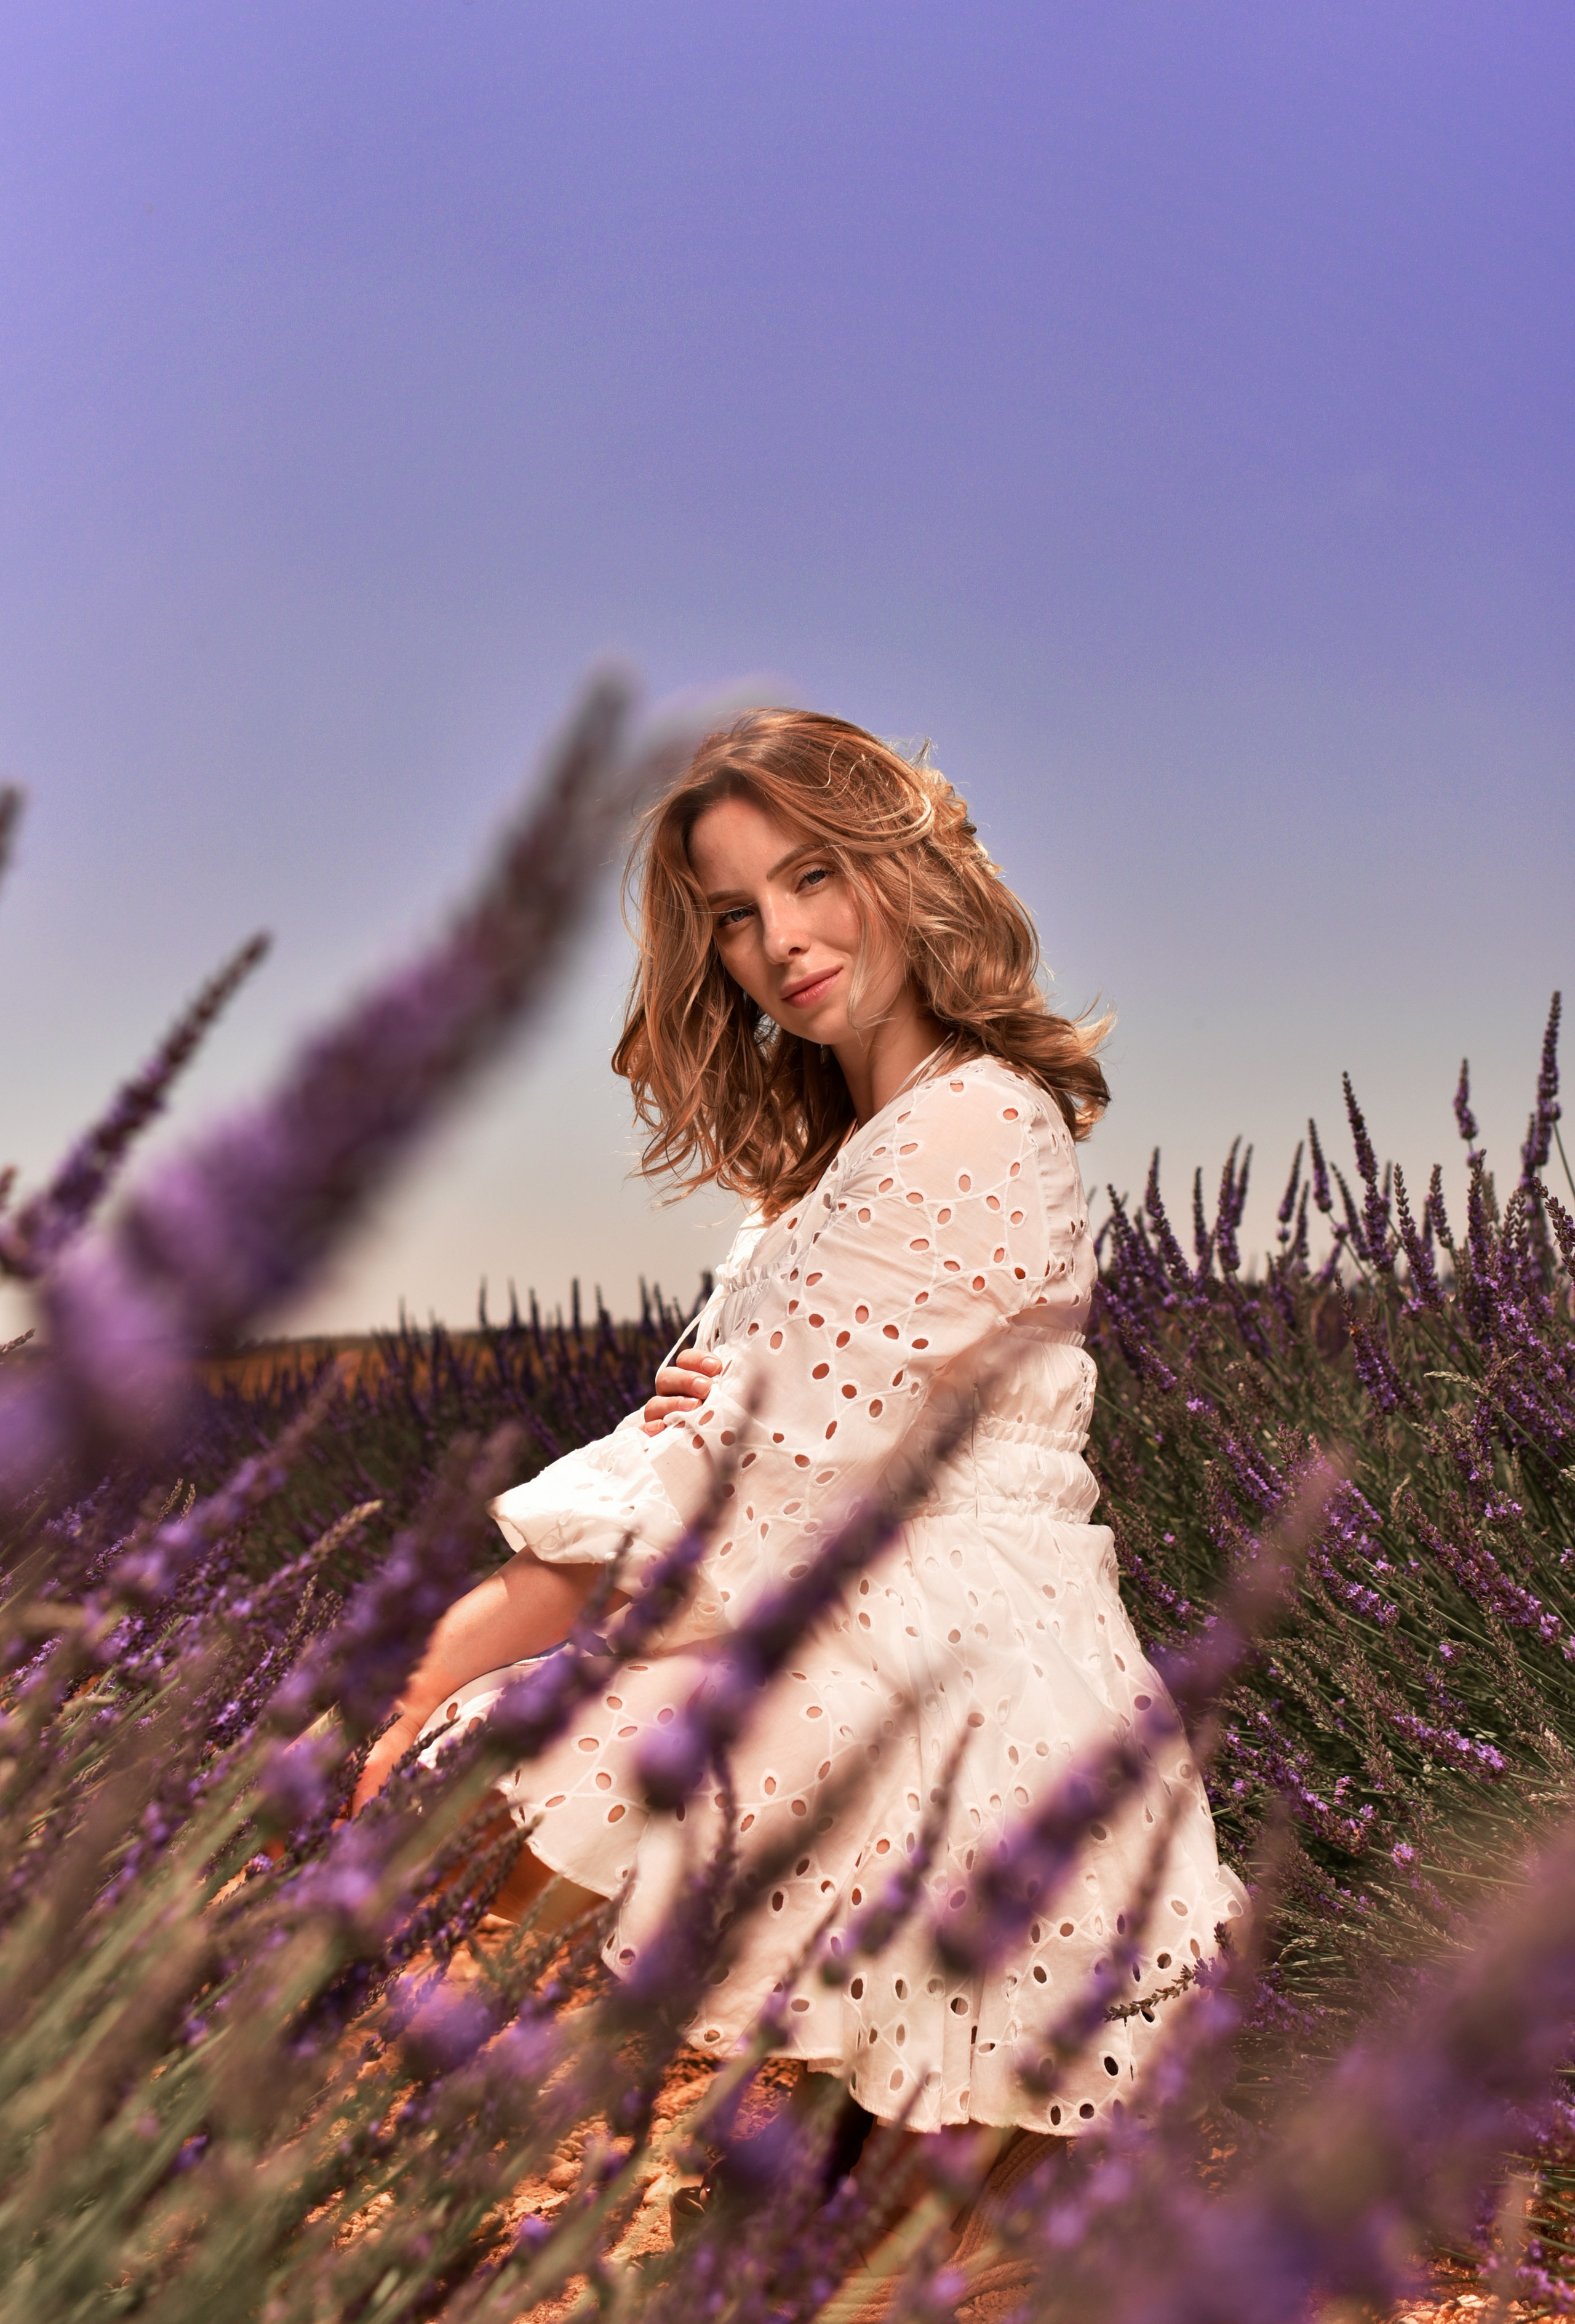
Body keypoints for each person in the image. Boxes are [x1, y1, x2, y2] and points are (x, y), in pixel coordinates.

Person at [355, 709, 1244, 2152]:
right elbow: (725, 1449)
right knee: (861, 2182)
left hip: (947, 1680)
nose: (779, 938)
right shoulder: (828, 1175)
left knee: (507, 1792)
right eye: (732, 913)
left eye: (813, 875)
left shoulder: (968, 1122)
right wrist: (712, 1425)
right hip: (869, 1642)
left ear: (902, 869)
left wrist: (432, 1678)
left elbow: (753, 1484)